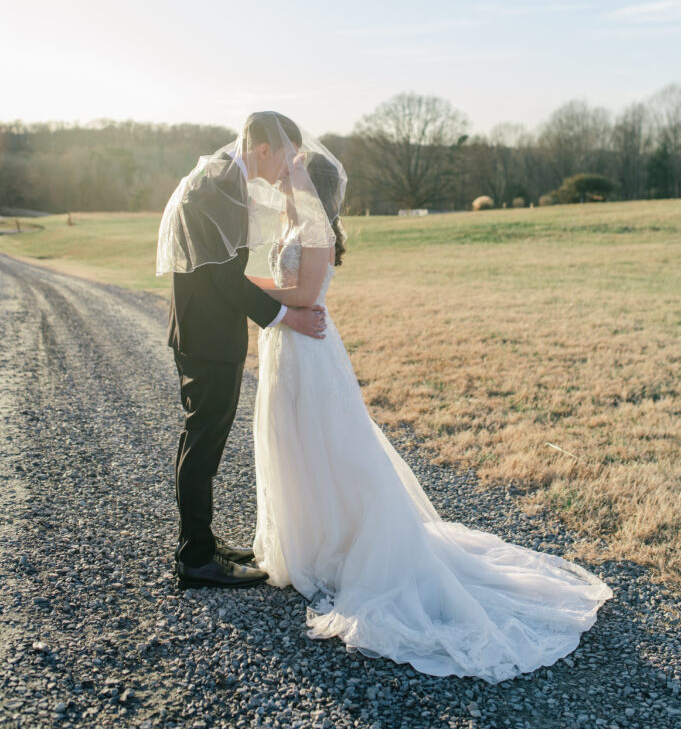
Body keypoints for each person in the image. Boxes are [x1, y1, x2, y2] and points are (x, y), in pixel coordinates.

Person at [247, 125, 613, 683]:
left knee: (334, 448)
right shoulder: (290, 222)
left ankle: (347, 544)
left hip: (311, 349)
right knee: (292, 442)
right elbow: (281, 282)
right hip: (284, 346)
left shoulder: (315, 226)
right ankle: (307, 544)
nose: (286, 174)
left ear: (310, 180)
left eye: (295, 170)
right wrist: (239, 282)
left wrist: (243, 295)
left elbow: (302, 294)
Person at [156, 112, 327, 590]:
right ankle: (195, 558)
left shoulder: (222, 177)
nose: (287, 169)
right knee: (202, 442)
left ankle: (202, 544)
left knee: (203, 440)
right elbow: (224, 279)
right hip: (207, 338)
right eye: (287, 156)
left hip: (206, 333)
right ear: (265, 149)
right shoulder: (220, 185)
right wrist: (287, 316)